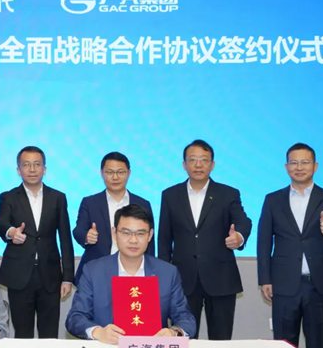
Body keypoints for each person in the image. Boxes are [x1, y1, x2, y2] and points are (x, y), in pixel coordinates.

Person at [158, 139, 252, 340]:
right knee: (182, 337)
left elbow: (243, 221)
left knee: (221, 338)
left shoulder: (228, 194)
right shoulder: (170, 195)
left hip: (221, 278)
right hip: (183, 279)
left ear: (212, 164)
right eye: (193, 160)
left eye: (204, 160)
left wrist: (239, 236)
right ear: (184, 164)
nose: (198, 165)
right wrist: (164, 276)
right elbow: (164, 239)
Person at [257, 142, 323, 348]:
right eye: (294, 163)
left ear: (315, 166)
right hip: (283, 283)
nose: (299, 167)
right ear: (286, 167)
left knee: (319, 341)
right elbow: (263, 242)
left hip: (319, 284)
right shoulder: (273, 199)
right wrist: (265, 279)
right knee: (284, 343)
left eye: (305, 162)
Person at [66, 203, 196, 344]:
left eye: (140, 233)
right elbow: (75, 318)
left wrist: (174, 332)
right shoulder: (93, 271)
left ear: (150, 235)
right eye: (126, 233)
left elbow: (186, 318)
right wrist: (98, 332)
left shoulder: (167, 273)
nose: (133, 240)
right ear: (114, 233)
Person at [0, 146, 74, 338]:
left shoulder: (58, 198)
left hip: (50, 276)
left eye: (37, 164)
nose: (32, 169)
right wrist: (11, 232)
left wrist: (68, 277)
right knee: (22, 333)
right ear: (18, 170)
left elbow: (65, 238)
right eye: (26, 165)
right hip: (19, 275)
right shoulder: (9, 197)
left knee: (49, 333)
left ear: (44, 169)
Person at [73, 152, 155, 286]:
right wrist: (86, 236)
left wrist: (150, 274)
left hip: (133, 272)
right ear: (102, 173)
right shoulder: (90, 202)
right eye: (110, 172)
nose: (115, 177)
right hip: (97, 272)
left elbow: (149, 243)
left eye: (120, 172)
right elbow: (78, 230)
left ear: (129, 173)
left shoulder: (143, 203)